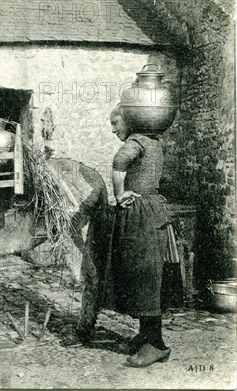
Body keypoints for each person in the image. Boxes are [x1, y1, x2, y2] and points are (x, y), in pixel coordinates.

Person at [109, 106, 171, 367]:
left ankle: (156, 344)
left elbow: (119, 161)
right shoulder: (154, 142)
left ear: (131, 120)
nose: (113, 130)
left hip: (143, 213)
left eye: (116, 123)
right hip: (151, 209)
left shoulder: (136, 141)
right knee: (143, 275)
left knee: (146, 276)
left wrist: (119, 193)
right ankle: (146, 335)